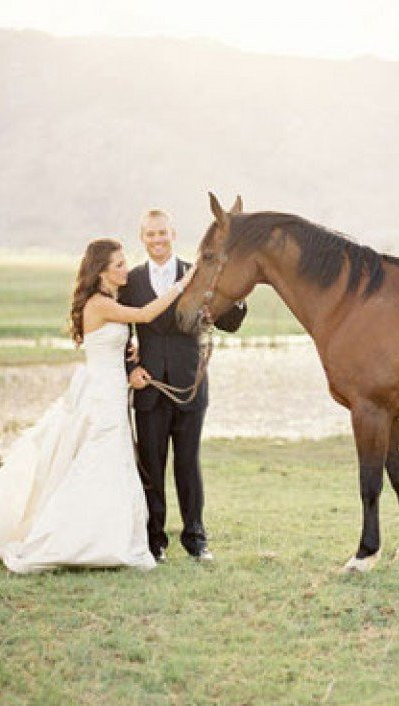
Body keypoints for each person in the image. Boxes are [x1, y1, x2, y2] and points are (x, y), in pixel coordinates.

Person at [0, 238, 191, 573]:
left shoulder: (108, 301)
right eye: (119, 265)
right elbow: (144, 313)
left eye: (125, 263)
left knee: (113, 460)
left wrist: (132, 352)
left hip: (111, 388)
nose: (126, 269)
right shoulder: (98, 303)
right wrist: (182, 284)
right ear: (102, 272)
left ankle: (108, 535)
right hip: (100, 394)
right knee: (99, 460)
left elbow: (112, 343)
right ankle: (84, 539)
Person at [119, 209, 246, 562]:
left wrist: (236, 291)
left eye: (162, 233)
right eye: (150, 234)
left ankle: (196, 540)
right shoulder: (130, 281)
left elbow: (230, 323)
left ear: (172, 234)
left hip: (190, 384)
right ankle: (154, 541)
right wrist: (130, 369)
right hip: (148, 388)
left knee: (188, 465)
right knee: (151, 466)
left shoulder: (196, 274)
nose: (157, 240)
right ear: (142, 238)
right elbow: (119, 334)